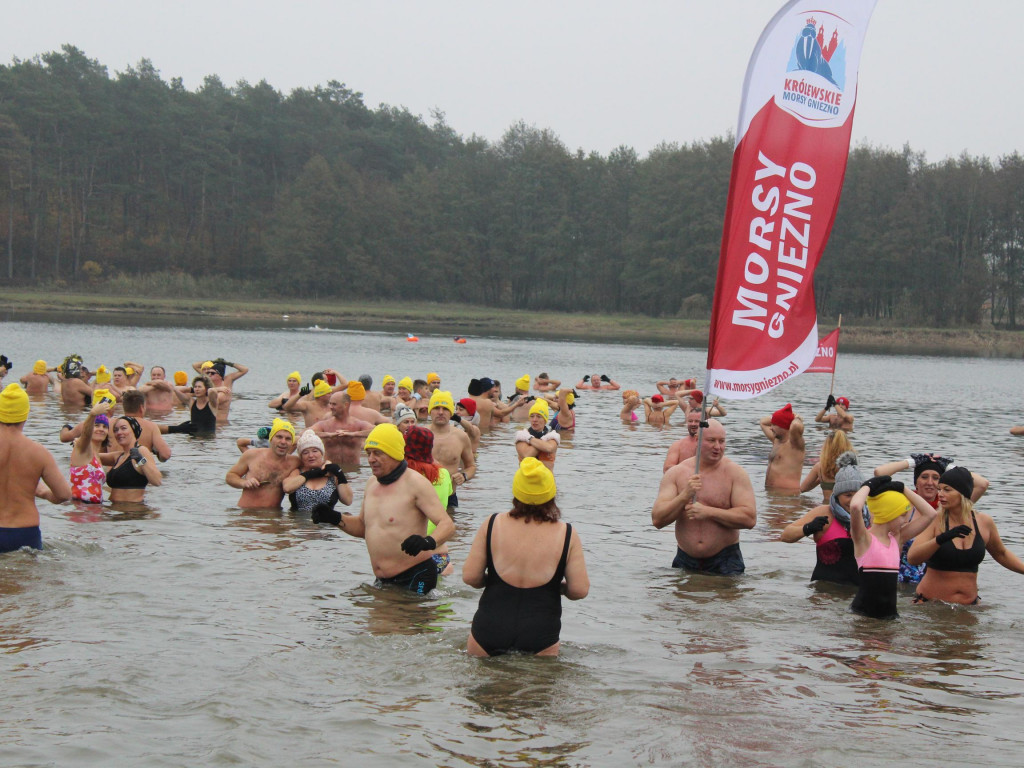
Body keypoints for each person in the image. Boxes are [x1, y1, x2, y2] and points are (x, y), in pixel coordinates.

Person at [462, 457, 589, 656]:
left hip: (489, 627)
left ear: (516, 491)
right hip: (540, 632)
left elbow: (470, 577)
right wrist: (555, 588)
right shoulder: (567, 533)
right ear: (551, 494)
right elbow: (579, 590)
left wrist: (494, 581)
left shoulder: (493, 523)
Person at [311, 424, 455, 595]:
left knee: (405, 620)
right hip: (383, 580)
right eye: (368, 453)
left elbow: (447, 525)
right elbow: (363, 527)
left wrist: (427, 542)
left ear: (394, 454)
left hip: (417, 574)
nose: (371, 459)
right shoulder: (371, 483)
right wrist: (334, 518)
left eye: (377, 453)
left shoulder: (416, 483)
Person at [652, 419, 757, 574]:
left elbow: (749, 519)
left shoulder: (735, 473)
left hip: (725, 560)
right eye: (711, 440)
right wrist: (684, 496)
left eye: (722, 441)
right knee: (681, 598)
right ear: (697, 440)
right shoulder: (676, 473)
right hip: (685, 558)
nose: (717, 447)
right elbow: (657, 520)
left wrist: (709, 512)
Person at [907, 466, 1024, 605]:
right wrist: (941, 539)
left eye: (947, 490)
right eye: (940, 489)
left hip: (970, 605)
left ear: (963, 493)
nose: (940, 494)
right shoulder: (934, 519)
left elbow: (1001, 554)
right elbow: (912, 558)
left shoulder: (984, 522)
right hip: (931, 605)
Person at [872, 452, 990, 584]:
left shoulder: (950, 510)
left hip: (938, 582)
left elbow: (982, 484)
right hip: (903, 582)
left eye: (936, 478)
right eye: (924, 477)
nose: (930, 483)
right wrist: (912, 462)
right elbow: (880, 473)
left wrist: (948, 467)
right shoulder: (904, 507)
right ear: (916, 481)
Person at [848, 477, 936, 619]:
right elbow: (855, 507)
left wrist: (903, 488)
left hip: (890, 615)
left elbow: (931, 514)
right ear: (888, 514)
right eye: (902, 516)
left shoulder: (897, 539)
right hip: (864, 615)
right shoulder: (864, 539)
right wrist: (868, 486)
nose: (905, 521)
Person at [0, 384, 72, 551]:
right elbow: (64, 494)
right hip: (25, 531)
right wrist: (43, 492)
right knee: (29, 577)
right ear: (25, 415)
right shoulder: (38, 452)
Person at [781, 451, 864, 585]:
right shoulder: (825, 512)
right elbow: (785, 535)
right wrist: (807, 528)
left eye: (857, 495)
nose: (853, 501)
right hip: (824, 593)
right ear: (837, 495)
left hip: (858, 593)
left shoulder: (870, 517)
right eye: (848, 495)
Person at [403, 425, 454, 576]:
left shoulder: (406, 475)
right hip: (441, 555)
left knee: (403, 599)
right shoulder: (443, 473)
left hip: (415, 557)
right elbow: (449, 494)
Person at [225, 418, 301, 508]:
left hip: (274, 517)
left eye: (288, 439)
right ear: (271, 439)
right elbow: (230, 476)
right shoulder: (252, 455)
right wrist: (244, 483)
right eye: (279, 437)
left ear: (291, 443)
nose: (283, 442)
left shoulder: (295, 462)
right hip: (247, 514)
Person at [426, 390, 475, 510]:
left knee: (451, 527)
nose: (441, 412)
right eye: (437, 408)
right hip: (424, 496)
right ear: (430, 411)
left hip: (449, 496)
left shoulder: (461, 437)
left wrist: (464, 476)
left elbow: (471, 467)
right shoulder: (421, 435)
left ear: (451, 412)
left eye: (445, 409)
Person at [282, 429, 353, 512]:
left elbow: (348, 501)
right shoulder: (297, 472)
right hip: (300, 523)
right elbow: (287, 488)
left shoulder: (332, 474)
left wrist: (340, 474)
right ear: (301, 457)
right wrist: (312, 474)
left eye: (315, 451)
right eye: (305, 453)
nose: (311, 455)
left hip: (326, 523)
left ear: (322, 453)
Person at [100, 416, 163, 504]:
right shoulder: (118, 456)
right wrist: (80, 444)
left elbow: (157, 481)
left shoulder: (141, 451)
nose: (119, 432)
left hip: (133, 512)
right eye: (116, 430)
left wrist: (140, 460)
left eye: (123, 428)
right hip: (113, 510)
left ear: (134, 430)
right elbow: (91, 457)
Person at [312, 392, 374, 468]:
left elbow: (379, 431)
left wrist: (354, 434)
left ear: (346, 405)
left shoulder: (358, 424)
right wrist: (328, 435)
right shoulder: (325, 425)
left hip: (354, 473)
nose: (330, 407)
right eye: (330, 404)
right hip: (330, 471)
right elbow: (304, 433)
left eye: (334, 404)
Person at [69, 400, 112, 504]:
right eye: (97, 425)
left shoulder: (97, 455)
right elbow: (85, 435)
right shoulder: (83, 448)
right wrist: (92, 414)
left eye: (105, 427)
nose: (101, 429)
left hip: (94, 510)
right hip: (81, 507)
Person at [759, 404, 805, 493]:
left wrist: (796, 417)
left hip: (788, 497)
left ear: (783, 426)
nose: (771, 428)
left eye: (774, 424)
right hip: (771, 494)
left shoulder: (795, 444)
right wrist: (779, 418)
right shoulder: (776, 440)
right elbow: (762, 422)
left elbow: (795, 426)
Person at [800, 430, 855, 502]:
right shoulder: (852, 466)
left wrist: (821, 478)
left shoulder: (820, 467)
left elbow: (802, 489)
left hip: (827, 508)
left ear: (827, 446)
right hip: (846, 508)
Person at [122, 390, 172, 461]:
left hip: (113, 470)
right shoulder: (151, 426)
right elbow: (165, 455)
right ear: (142, 408)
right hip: (140, 469)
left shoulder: (112, 425)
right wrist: (155, 451)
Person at [515, 399, 560, 469]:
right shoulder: (521, 435)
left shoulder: (553, 436)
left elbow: (549, 448)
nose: (534, 420)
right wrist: (543, 442)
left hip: (546, 479)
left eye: (539, 416)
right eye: (532, 416)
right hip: (526, 479)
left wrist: (529, 439)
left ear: (545, 420)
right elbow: (527, 455)